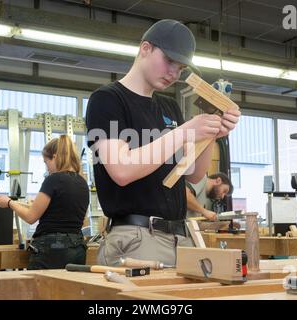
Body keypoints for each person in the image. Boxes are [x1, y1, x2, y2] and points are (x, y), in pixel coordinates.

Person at [86, 19, 240, 266]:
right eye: (169, 61)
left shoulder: (169, 107)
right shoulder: (107, 100)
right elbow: (122, 170)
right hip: (137, 239)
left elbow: (192, 173)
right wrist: (184, 132)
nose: (174, 73)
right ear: (145, 49)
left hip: (179, 237)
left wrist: (211, 133)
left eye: (180, 68)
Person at [0, 135, 89, 270]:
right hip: (77, 247)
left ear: (55, 156)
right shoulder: (82, 182)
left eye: (46, 162)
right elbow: (72, 214)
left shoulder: (54, 180)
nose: (47, 168)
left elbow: (30, 217)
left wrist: (9, 203)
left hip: (52, 249)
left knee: (37, 290)